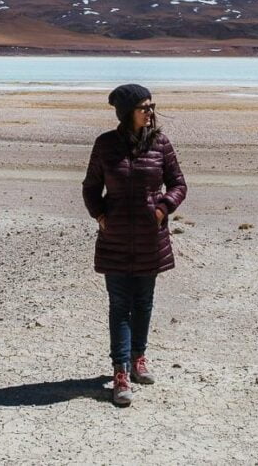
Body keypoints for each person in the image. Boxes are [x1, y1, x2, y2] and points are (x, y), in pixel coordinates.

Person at [81, 82, 188, 407]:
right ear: (128, 113)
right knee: (119, 305)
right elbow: (90, 187)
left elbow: (179, 184)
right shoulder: (105, 145)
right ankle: (120, 371)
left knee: (142, 303)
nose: (151, 112)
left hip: (149, 239)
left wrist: (162, 208)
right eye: (145, 108)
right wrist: (100, 214)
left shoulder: (160, 144)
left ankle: (139, 358)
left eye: (152, 106)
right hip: (114, 239)